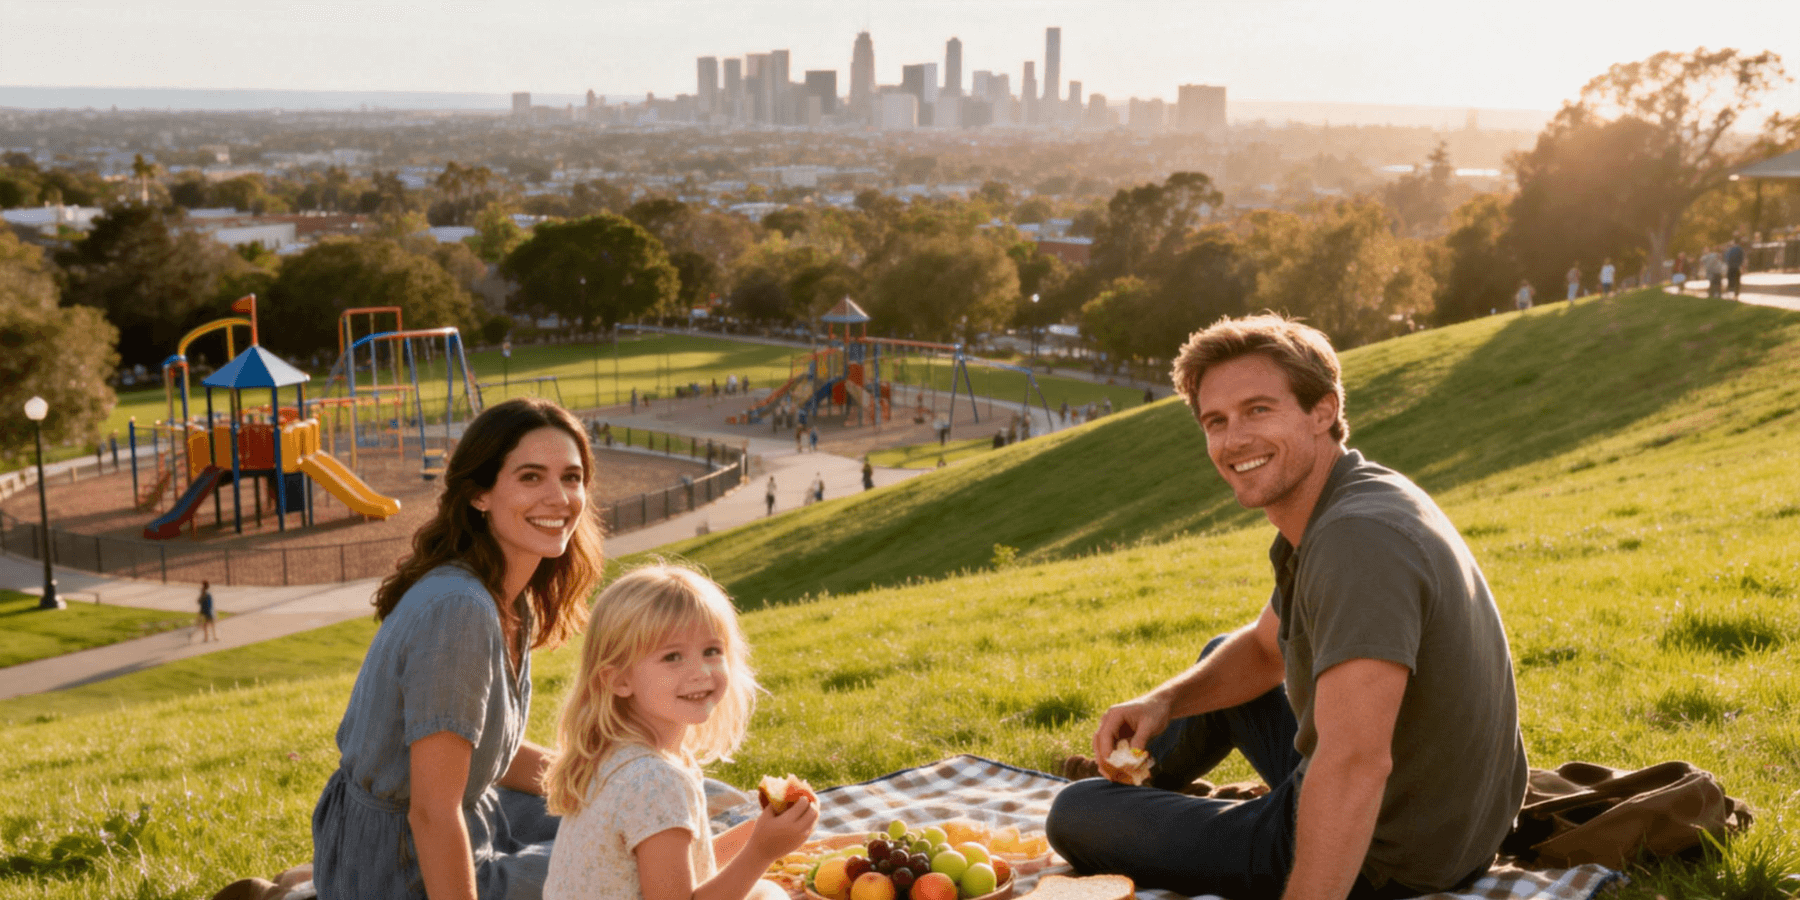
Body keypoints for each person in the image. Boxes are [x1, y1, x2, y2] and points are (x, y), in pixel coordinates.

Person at [1046, 314, 1527, 900]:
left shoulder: (1357, 543)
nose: (1233, 440)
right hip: (1449, 815)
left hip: (1391, 854)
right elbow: (1262, 649)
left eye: (1258, 410)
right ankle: (1132, 777)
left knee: (1075, 812)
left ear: (1322, 411)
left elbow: (1355, 762)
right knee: (1223, 654)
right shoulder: (1351, 499)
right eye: (1215, 421)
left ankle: (1125, 804)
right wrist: (1163, 701)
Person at [312, 397, 606, 900]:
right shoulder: (460, 609)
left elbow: (483, 756)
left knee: (639, 811)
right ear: (479, 495)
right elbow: (431, 810)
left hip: (469, 816)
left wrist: (597, 781)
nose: (560, 498)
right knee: (632, 858)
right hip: (397, 871)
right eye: (531, 477)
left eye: (572, 477)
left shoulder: (508, 597)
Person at [540, 565, 816, 900]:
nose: (700, 671)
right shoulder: (656, 780)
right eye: (673, 656)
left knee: (764, 892)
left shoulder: (615, 754)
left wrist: (755, 837)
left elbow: (683, 866)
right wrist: (761, 853)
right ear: (619, 680)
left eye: (712, 651)